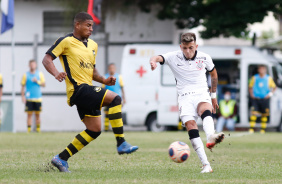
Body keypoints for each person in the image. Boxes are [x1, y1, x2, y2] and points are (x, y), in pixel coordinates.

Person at [42, 12, 138, 172]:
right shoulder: (65, 41)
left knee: (94, 130)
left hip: (87, 89)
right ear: (77, 25)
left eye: (92, 26)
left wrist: (104, 80)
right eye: (88, 25)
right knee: (116, 99)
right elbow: (47, 59)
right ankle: (121, 142)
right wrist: (56, 73)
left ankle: (61, 158)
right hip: (78, 90)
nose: (91, 29)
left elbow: (92, 72)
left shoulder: (93, 45)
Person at [149, 32, 224, 173]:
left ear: (196, 46)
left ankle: (210, 136)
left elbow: (213, 74)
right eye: (185, 48)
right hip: (184, 97)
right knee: (191, 125)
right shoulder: (173, 56)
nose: (188, 51)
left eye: (191, 47)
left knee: (205, 110)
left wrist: (213, 96)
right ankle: (206, 165)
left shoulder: (204, 57)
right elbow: (157, 57)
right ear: (180, 46)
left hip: (202, 93)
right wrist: (153, 61)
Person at [249, 65, 276, 134]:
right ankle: (251, 129)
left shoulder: (268, 78)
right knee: (254, 113)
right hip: (256, 98)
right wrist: (252, 94)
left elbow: (274, 87)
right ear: (258, 70)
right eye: (260, 69)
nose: (261, 70)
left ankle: (262, 130)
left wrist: (269, 95)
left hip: (264, 99)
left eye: (263, 69)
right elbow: (250, 86)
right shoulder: (254, 78)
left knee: (264, 114)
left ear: (265, 70)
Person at [21, 60, 45, 133]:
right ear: (29, 65)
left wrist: (37, 81)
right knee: (29, 115)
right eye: (31, 64)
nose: (32, 66)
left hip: (38, 98)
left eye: (33, 64)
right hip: (29, 98)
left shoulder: (39, 74)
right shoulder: (26, 75)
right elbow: (22, 86)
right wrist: (23, 96)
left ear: (36, 65)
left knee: (38, 115)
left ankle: (38, 130)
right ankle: (28, 131)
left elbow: (44, 84)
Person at [102, 63, 125, 131]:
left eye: (113, 68)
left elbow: (122, 88)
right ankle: (106, 129)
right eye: (110, 68)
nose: (111, 69)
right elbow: (102, 89)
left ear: (115, 69)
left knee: (117, 114)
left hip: (117, 99)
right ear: (109, 69)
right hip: (107, 98)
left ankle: (118, 129)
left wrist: (124, 99)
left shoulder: (119, 77)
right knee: (107, 114)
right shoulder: (105, 77)